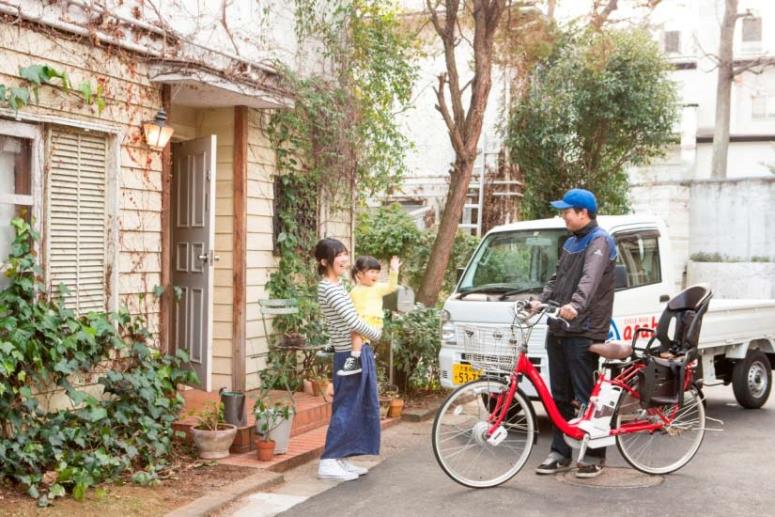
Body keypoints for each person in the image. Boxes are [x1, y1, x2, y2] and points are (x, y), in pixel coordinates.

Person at [530, 188, 617, 479]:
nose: (563, 215)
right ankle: (560, 452)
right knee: (559, 396)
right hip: (560, 326)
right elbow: (556, 278)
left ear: (583, 213)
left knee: (586, 395)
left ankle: (594, 454)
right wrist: (540, 301)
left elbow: (589, 280)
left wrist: (575, 306)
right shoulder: (571, 242)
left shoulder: (600, 240)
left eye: (567, 211)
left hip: (585, 328)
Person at [314, 238, 382, 481]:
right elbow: (353, 321)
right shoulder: (329, 288)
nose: (344, 259)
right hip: (348, 353)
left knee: (357, 406)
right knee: (346, 406)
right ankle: (329, 460)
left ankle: (341, 458)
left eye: (345, 253)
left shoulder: (337, 285)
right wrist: (376, 334)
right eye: (338, 255)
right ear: (324, 261)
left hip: (353, 349)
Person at [338, 255, 400, 376]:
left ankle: (354, 360)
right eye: (372, 272)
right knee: (353, 333)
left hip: (372, 322)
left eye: (377, 272)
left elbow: (392, 287)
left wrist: (394, 271)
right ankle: (353, 356)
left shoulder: (378, 288)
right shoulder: (354, 290)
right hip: (360, 321)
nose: (375, 275)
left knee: (356, 333)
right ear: (360, 274)